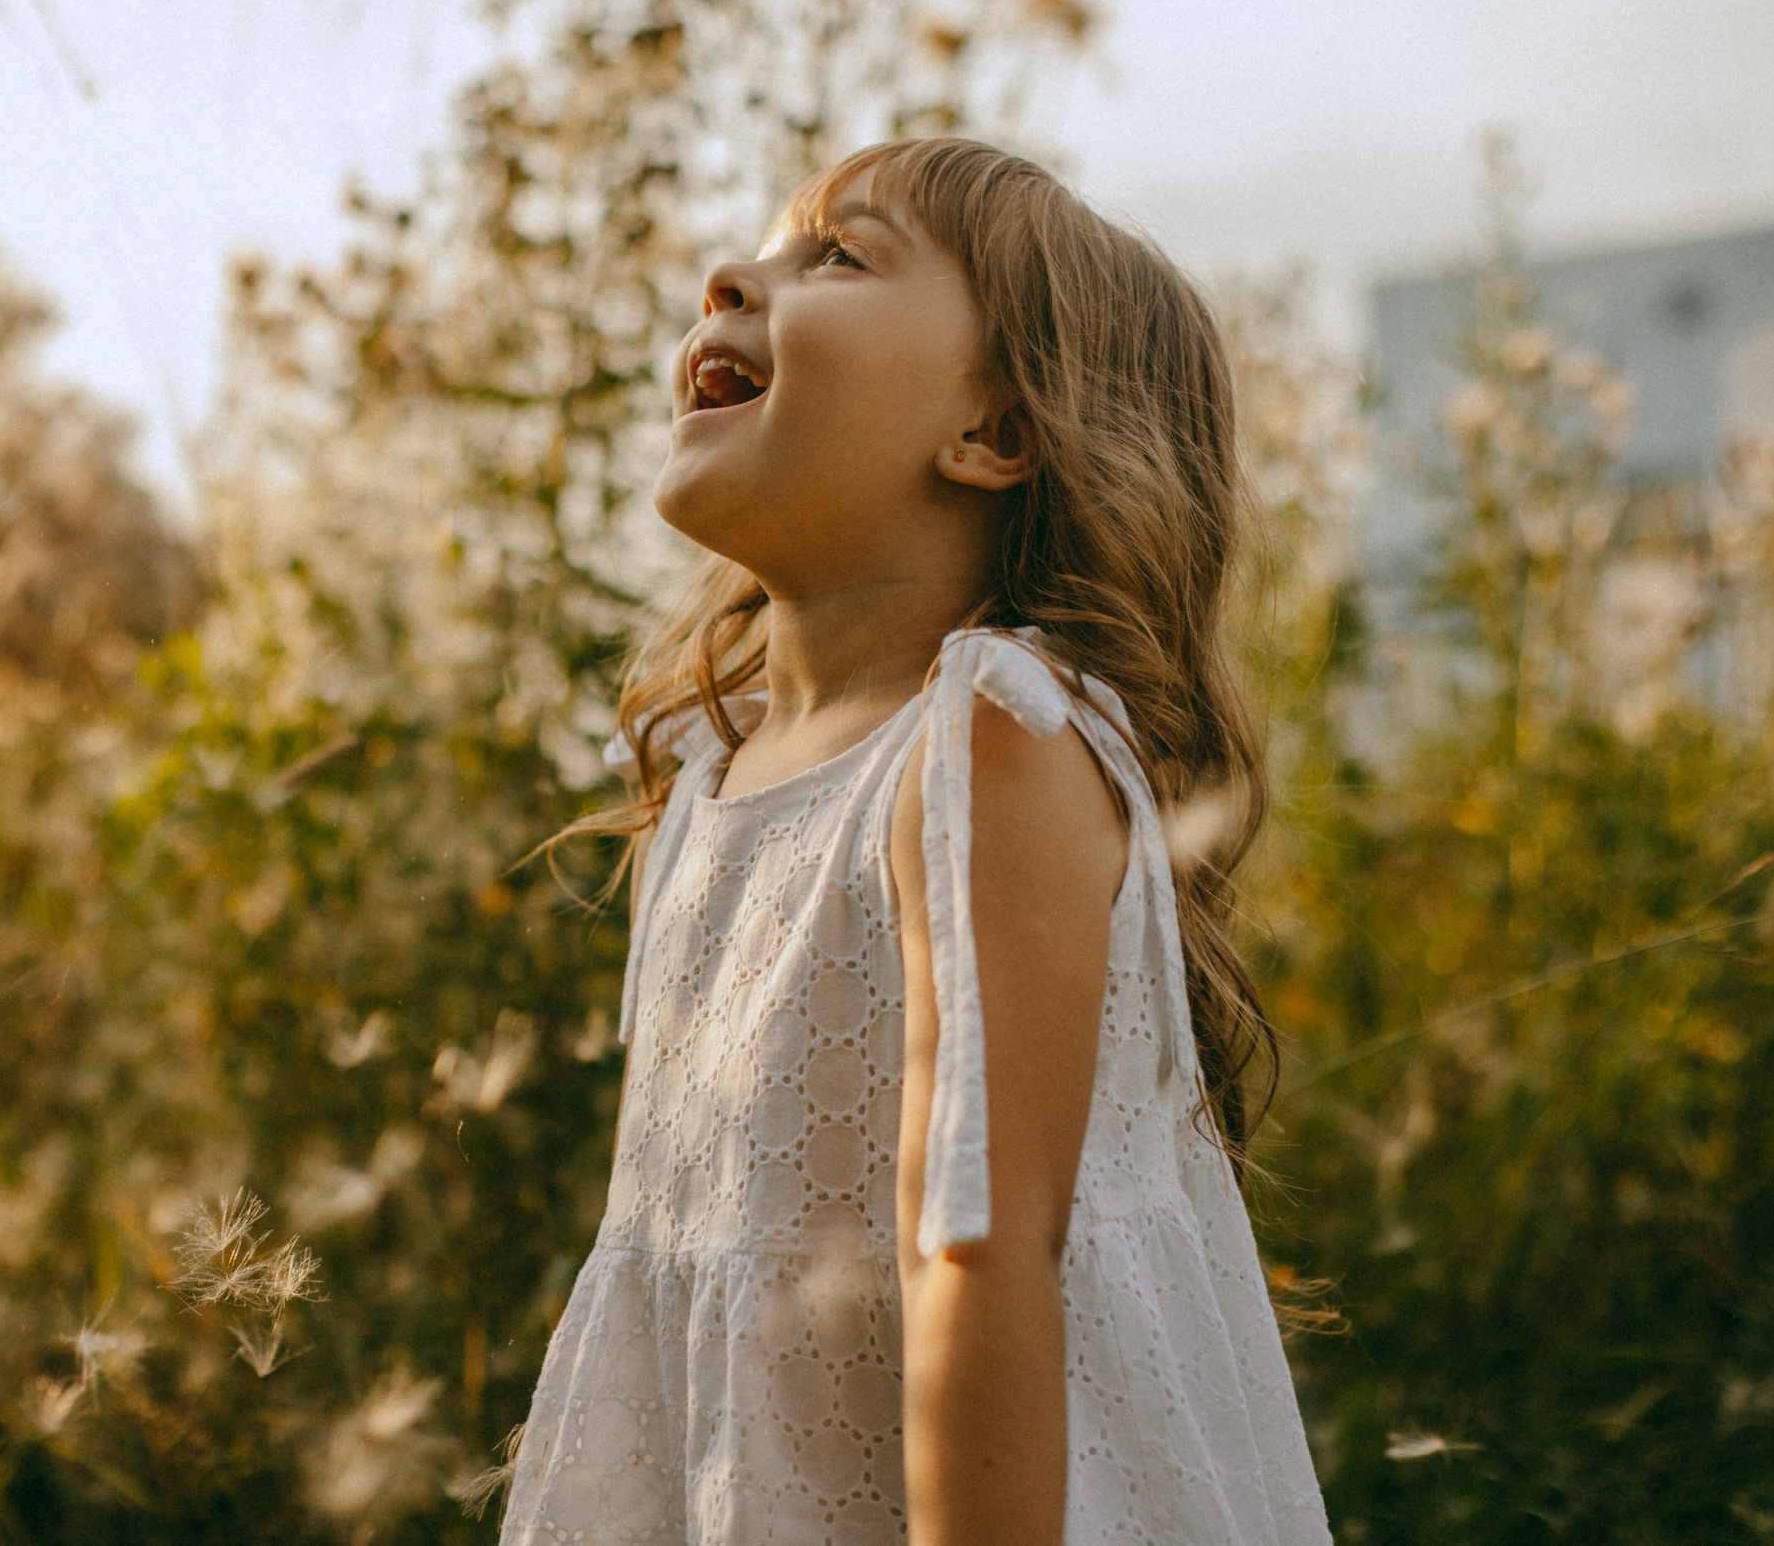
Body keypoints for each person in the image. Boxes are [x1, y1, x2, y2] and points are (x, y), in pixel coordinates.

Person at [499, 137, 1331, 1544]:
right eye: (762, 250)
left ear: (996, 432)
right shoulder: (706, 774)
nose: (732, 280)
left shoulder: (991, 739)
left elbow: (984, 1260)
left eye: (837, 255)